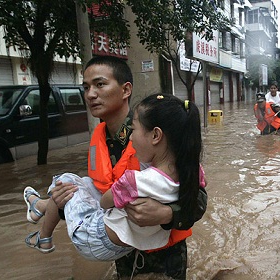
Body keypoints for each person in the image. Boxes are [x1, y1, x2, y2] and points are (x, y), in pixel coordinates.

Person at [23, 56, 207, 279]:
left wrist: (167, 214)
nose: (90, 94)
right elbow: (100, 197)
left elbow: (197, 197)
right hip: (121, 251)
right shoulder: (99, 138)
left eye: (100, 84)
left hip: (164, 258)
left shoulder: (154, 131)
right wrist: (61, 202)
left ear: (125, 89)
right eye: (86, 87)